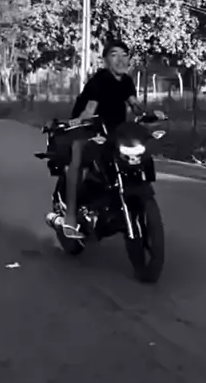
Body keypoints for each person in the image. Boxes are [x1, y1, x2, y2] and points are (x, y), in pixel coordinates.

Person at [54, 40, 162, 239]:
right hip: (87, 128)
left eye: (124, 55)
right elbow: (90, 110)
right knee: (78, 161)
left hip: (114, 130)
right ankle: (70, 218)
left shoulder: (127, 81)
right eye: (114, 55)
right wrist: (79, 122)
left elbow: (134, 104)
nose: (120, 59)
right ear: (105, 60)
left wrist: (147, 114)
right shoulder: (99, 81)